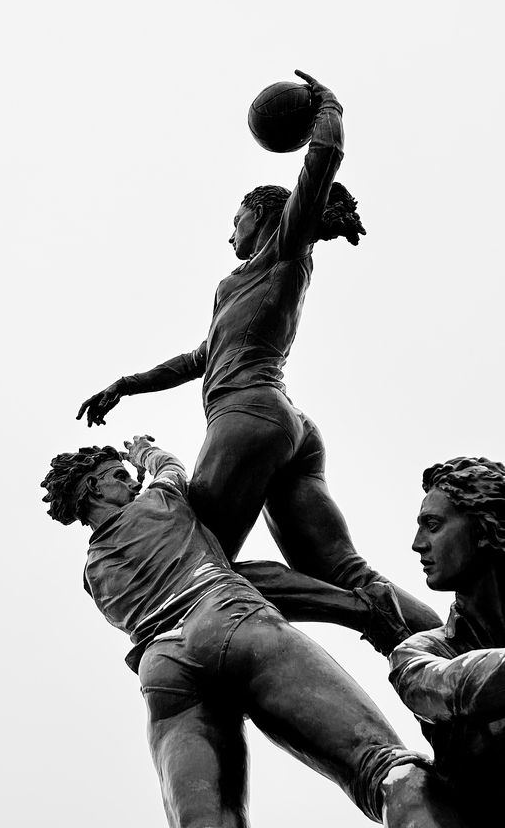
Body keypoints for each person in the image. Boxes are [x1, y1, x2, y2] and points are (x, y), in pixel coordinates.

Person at [76, 70, 440, 637]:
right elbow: (201, 355)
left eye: (237, 221)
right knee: (340, 568)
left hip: (247, 418)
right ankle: (454, 648)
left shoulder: (285, 252)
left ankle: (364, 613)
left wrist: (330, 110)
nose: (231, 234)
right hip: (285, 423)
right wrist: (127, 383)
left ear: (263, 217)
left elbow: (321, 162)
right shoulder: (240, 284)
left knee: (197, 566)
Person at [41, 435, 466, 827]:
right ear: (95, 489)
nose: (131, 484)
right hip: (226, 616)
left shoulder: (91, 574)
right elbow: (172, 467)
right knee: (383, 769)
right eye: (118, 477)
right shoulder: (159, 499)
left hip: (161, 669)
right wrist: (143, 455)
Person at [389, 456, 505, 820]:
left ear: (486, 529)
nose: (417, 544)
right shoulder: (418, 654)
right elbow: (455, 687)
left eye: (433, 525)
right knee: (405, 782)